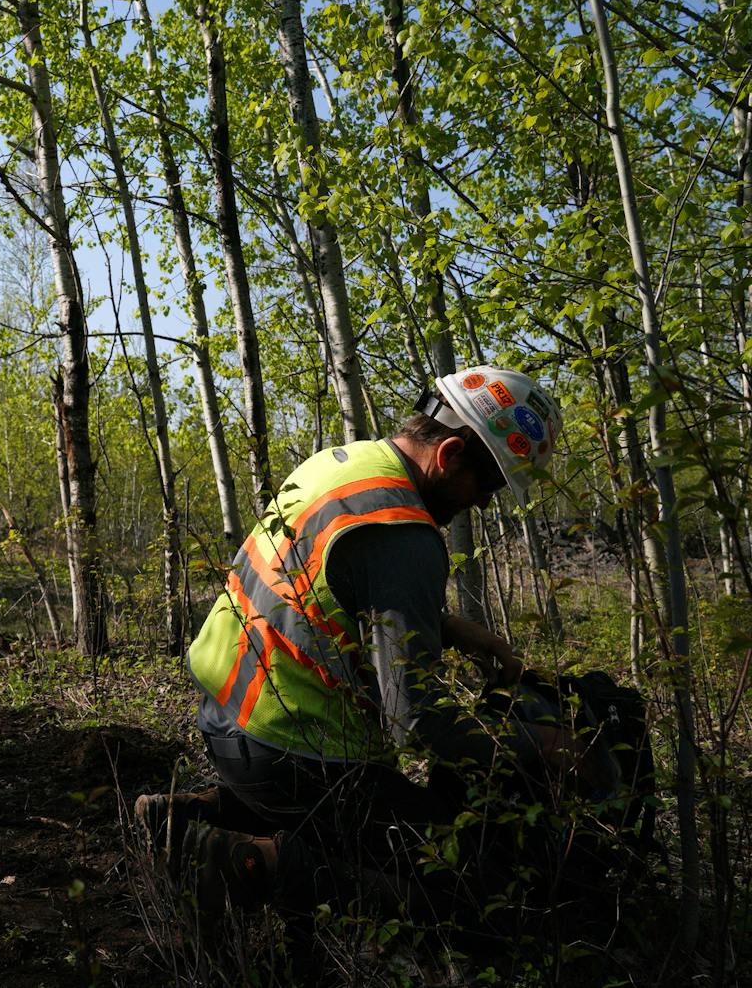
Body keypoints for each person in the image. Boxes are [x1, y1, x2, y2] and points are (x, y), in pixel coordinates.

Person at [138, 366, 578, 923]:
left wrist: (446, 626)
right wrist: (538, 745)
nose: (484, 504)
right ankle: (251, 862)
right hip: (290, 751)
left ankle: (185, 815)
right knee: (470, 881)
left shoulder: (344, 465)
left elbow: (329, 591)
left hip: (225, 716)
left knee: (395, 819)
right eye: (487, 486)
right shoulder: (406, 537)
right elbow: (415, 722)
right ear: (449, 456)